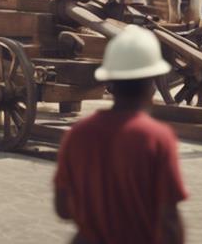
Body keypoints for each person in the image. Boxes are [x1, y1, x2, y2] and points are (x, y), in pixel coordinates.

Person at [55, 25, 187, 244]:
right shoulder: (158, 138)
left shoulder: (77, 135)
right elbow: (169, 219)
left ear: (109, 83)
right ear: (151, 85)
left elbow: (62, 209)